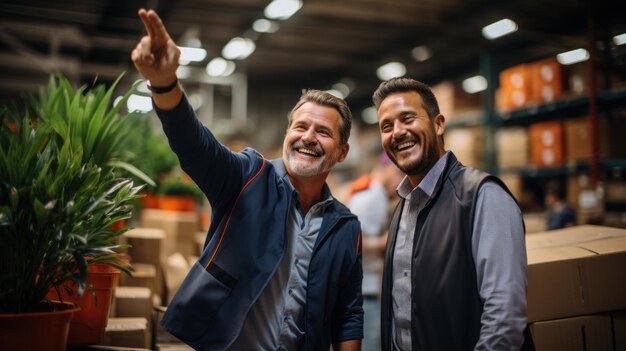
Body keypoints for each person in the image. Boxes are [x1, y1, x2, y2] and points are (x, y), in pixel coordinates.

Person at [131, 9, 363, 351]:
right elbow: (195, 145)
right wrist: (165, 83)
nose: (308, 137)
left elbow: (349, 313)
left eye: (323, 132)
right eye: (300, 127)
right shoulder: (248, 177)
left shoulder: (346, 227)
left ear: (341, 152)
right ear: (287, 134)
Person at [372, 77, 528, 350]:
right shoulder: (403, 206)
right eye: (387, 126)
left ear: (438, 124)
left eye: (408, 118)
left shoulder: (482, 195)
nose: (397, 132)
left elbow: (504, 320)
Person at [345, 153, 403, 351]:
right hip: (363, 292)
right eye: (400, 175)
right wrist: (384, 242)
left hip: (365, 289)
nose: (400, 184)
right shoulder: (372, 196)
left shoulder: (369, 192)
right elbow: (349, 242)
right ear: (389, 169)